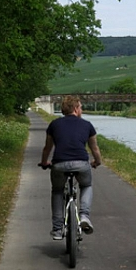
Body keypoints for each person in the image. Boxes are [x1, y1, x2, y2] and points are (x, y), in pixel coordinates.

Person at [40, 95, 102, 240]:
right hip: (81, 164)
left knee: (57, 191)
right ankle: (84, 216)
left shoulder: (54, 125)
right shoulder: (87, 125)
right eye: (80, 107)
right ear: (75, 108)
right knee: (86, 185)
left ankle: (57, 229)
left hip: (59, 164)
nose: (81, 110)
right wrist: (97, 162)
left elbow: (47, 148)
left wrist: (44, 162)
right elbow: (95, 149)